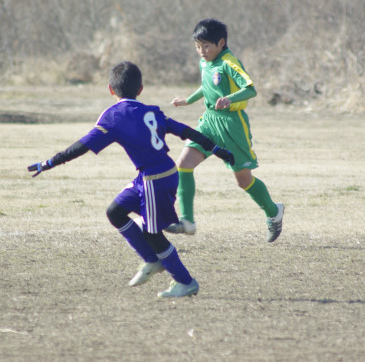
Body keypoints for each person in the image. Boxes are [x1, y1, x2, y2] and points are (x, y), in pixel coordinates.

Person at [27, 61, 234, 298]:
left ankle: (185, 282)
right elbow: (187, 131)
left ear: (110, 89)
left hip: (155, 179)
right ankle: (152, 259)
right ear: (141, 89)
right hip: (150, 176)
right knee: (115, 212)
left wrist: (49, 163)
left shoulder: (114, 116)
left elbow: (82, 146)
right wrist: (218, 150)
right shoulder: (152, 111)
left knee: (153, 234)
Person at [167, 18, 284, 242]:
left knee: (243, 180)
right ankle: (187, 220)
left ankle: (273, 211)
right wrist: (189, 100)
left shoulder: (229, 62)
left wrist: (229, 99)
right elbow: (207, 84)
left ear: (221, 43)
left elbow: (250, 89)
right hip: (209, 121)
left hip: (232, 124)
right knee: (183, 164)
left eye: (206, 46)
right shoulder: (206, 62)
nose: (201, 51)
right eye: (197, 47)